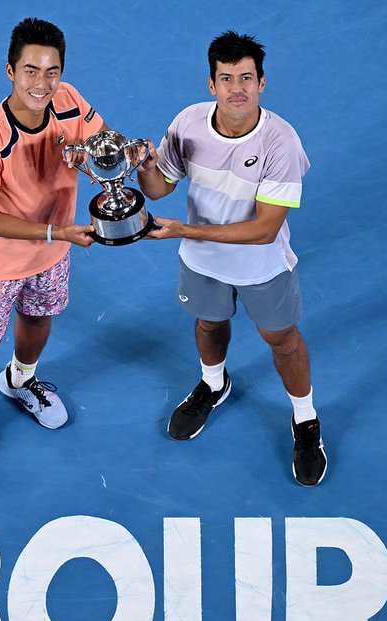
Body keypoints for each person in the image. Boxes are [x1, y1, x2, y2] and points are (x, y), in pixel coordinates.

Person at [136, 31, 327, 487]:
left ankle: (305, 419)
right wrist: (143, 165)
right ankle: (213, 383)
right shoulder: (187, 123)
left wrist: (186, 231)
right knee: (208, 325)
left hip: (262, 266)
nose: (236, 88)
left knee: (282, 340)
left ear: (262, 83)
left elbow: (264, 230)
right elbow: (160, 188)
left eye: (246, 77)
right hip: (203, 262)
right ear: (211, 85)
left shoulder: (281, 141)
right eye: (226, 78)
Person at [0, 17, 107, 482]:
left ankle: (19, 380)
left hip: (50, 254)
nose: (43, 83)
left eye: (52, 71)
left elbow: (99, 145)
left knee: (36, 322)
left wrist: (118, 159)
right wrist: (57, 233)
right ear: (10, 71)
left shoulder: (70, 101)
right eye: (31, 70)